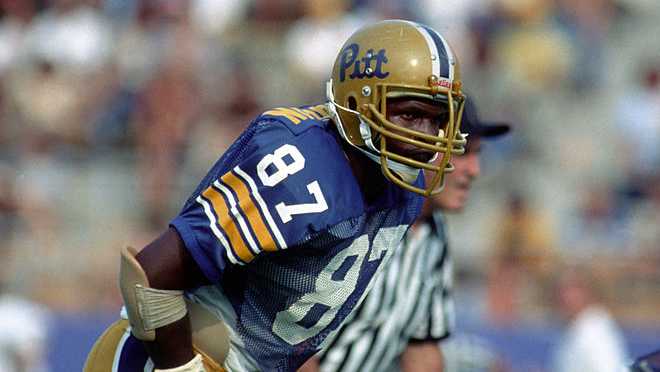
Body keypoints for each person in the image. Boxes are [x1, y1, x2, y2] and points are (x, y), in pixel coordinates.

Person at [84, 20, 468, 372]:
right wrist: (184, 368)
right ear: (357, 105)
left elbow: (292, 326)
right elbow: (151, 273)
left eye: (437, 119)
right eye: (411, 114)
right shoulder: (301, 167)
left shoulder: (403, 191)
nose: (427, 134)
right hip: (167, 359)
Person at [299, 97, 510, 372]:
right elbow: (291, 347)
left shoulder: (434, 234)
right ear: (422, 147)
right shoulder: (353, 216)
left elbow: (421, 347)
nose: (474, 170)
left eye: (477, 154)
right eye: (462, 152)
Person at [551, 266, 628, 372]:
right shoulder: (574, 328)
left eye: (572, 290)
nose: (565, 298)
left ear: (587, 292)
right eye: (561, 290)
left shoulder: (597, 333)